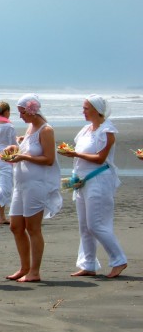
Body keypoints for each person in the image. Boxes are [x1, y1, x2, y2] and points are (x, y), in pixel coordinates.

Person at [59, 94, 128, 278]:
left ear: (97, 110)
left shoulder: (107, 131)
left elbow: (99, 159)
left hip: (99, 180)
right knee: (84, 225)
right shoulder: (86, 130)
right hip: (82, 181)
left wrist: (75, 154)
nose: (83, 111)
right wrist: (73, 155)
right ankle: (88, 264)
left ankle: (119, 260)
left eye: (86, 108)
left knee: (96, 224)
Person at [4, 94, 62, 283]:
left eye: (22, 112)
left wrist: (23, 158)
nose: (20, 116)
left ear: (31, 111)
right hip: (21, 184)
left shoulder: (46, 130)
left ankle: (34, 271)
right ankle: (24, 267)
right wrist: (15, 148)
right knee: (16, 226)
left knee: (33, 227)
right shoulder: (30, 128)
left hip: (36, 184)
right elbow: (27, 149)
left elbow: (48, 159)